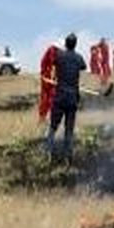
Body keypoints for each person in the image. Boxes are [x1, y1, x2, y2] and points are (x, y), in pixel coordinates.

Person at [46, 33, 86, 163]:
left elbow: (52, 61)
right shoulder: (79, 58)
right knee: (69, 129)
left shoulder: (59, 56)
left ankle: (48, 153)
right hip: (72, 98)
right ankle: (68, 156)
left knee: (53, 126)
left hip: (60, 96)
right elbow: (83, 67)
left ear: (65, 43)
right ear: (75, 44)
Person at [38, 43, 58, 123]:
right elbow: (46, 64)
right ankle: (42, 118)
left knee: (52, 99)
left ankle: (51, 118)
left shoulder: (58, 53)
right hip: (46, 80)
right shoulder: (51, 51)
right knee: (45, 99)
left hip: (53, 80)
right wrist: (44, 75)